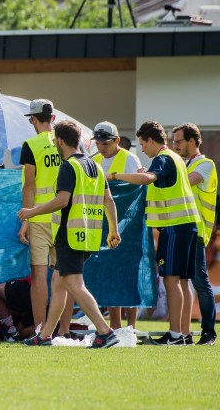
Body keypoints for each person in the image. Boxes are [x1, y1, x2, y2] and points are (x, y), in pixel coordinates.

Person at [18, 120, 121, 348]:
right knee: (58, 282)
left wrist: (31, 212)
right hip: (90, 234)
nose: (55, 143)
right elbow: (109, 200)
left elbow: (61, 201)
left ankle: (105, 332)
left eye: (55, 140)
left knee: (74, 284)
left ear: (61, 141)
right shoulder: (95, 166)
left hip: (70, 234)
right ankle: (45, 335)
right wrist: (113, 229)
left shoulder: (69, 166)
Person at [117, 120, 201, 345]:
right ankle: (181, 334)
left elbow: (148, 179)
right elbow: (157, 180)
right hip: (186, 225)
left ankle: (175, 335)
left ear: (152, 141)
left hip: (174, 227)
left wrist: (117, 176)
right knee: (181, 281)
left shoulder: (162, 158)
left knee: (171, 281)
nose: (142, 149)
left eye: (143, 144)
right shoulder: (175, 158)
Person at [91, 120, 142, 330]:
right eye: (99, 143)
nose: (101, 148)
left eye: (106, 143)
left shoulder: (130, 159)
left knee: (128, 274)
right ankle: (115, 324)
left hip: (129, 227)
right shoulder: (93, 161)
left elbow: (138, 189)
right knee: (109, 273)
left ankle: (131, 326)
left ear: (117, 141)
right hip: (104, 225)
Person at [17, 99, 62, 336]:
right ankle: (62, 330)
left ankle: (40, 330)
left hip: (39, 217)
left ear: (33, 119)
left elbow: (29, 186)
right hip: (65, 217)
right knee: (64, 276)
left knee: (39, 276)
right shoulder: (68, 142)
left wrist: (25, 220)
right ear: (53, 118)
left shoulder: (31, 145)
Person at [171, 123, 216, 345]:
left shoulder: (205, 164)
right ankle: (182, 333)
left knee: (199, 283)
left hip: (197, 232)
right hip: (182, 230)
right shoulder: (183, 164)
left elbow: (187, 183)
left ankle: (209, 332)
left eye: (178, 141)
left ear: (191, 141)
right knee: (182, 282)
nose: (174, 145)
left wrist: (158, 176)